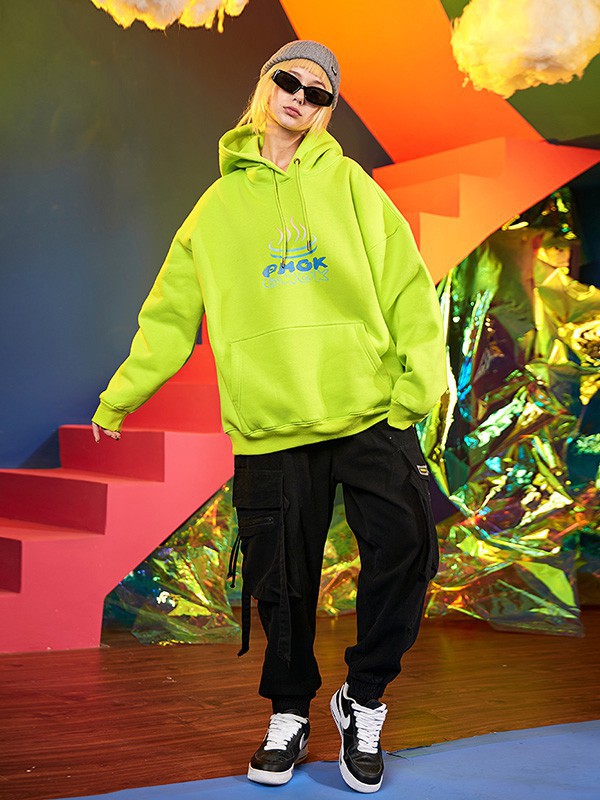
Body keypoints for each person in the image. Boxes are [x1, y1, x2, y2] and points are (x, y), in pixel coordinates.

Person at [91, 40, 447, 794]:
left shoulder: (351, 185)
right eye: (290, 81)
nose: (301, 98)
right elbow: (169, 315)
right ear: (265, 86)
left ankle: (364, 697)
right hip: (271, 423)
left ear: (327, 112)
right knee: (281, 583)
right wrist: (121, 396)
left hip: (367, 410)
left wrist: (417, 387)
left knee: (408, 545)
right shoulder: (216, 208)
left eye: (319, 93)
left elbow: (408, 287)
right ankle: (289, 711)